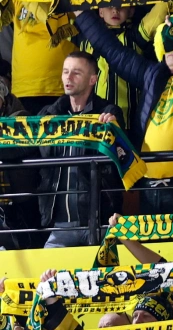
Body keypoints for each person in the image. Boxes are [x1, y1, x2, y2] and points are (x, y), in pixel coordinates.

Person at [72, 10, 173, 215]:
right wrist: (80, 13)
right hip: (149, 188)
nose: (170, 47)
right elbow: (114, 51)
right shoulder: (152, 75)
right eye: (166, 41)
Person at [38, 51, 126, 247]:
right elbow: (31, 151)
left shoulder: (108, 113)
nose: (68, 78)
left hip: (101, 223)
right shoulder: (49, 114)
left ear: (92, 79)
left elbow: (123, 155)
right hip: (59, 227)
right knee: (44, 267)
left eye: (76, 73)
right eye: (65, 72)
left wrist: (114, 128)